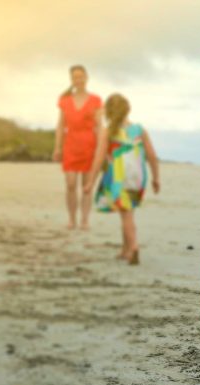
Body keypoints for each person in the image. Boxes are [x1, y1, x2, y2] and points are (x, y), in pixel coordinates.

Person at [84, 94, 160, 265]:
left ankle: (133, 247)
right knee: (127, 211)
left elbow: (99, 159)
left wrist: (90, 182)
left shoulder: (108, 131)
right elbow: (152, 157)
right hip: (138, 177)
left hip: (119, 178)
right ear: (128, 109)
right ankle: (125, 250)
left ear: (108, 112)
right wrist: (156, 178)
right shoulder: (140, 130)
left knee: (126, 215)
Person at [54, 65, 103, 230]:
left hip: (90, 144)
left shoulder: (96, 100)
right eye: (75, 77)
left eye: (81, 76)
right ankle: (72, 219)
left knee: (87, 186)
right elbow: (61, 125)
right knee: (70, 183)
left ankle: (84, 220)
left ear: (86, 78)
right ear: (71, 80)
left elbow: (100, 126)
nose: (78, 80)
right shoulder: (65, 100)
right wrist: (57, 147)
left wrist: (102, 148)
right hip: (70, 144)